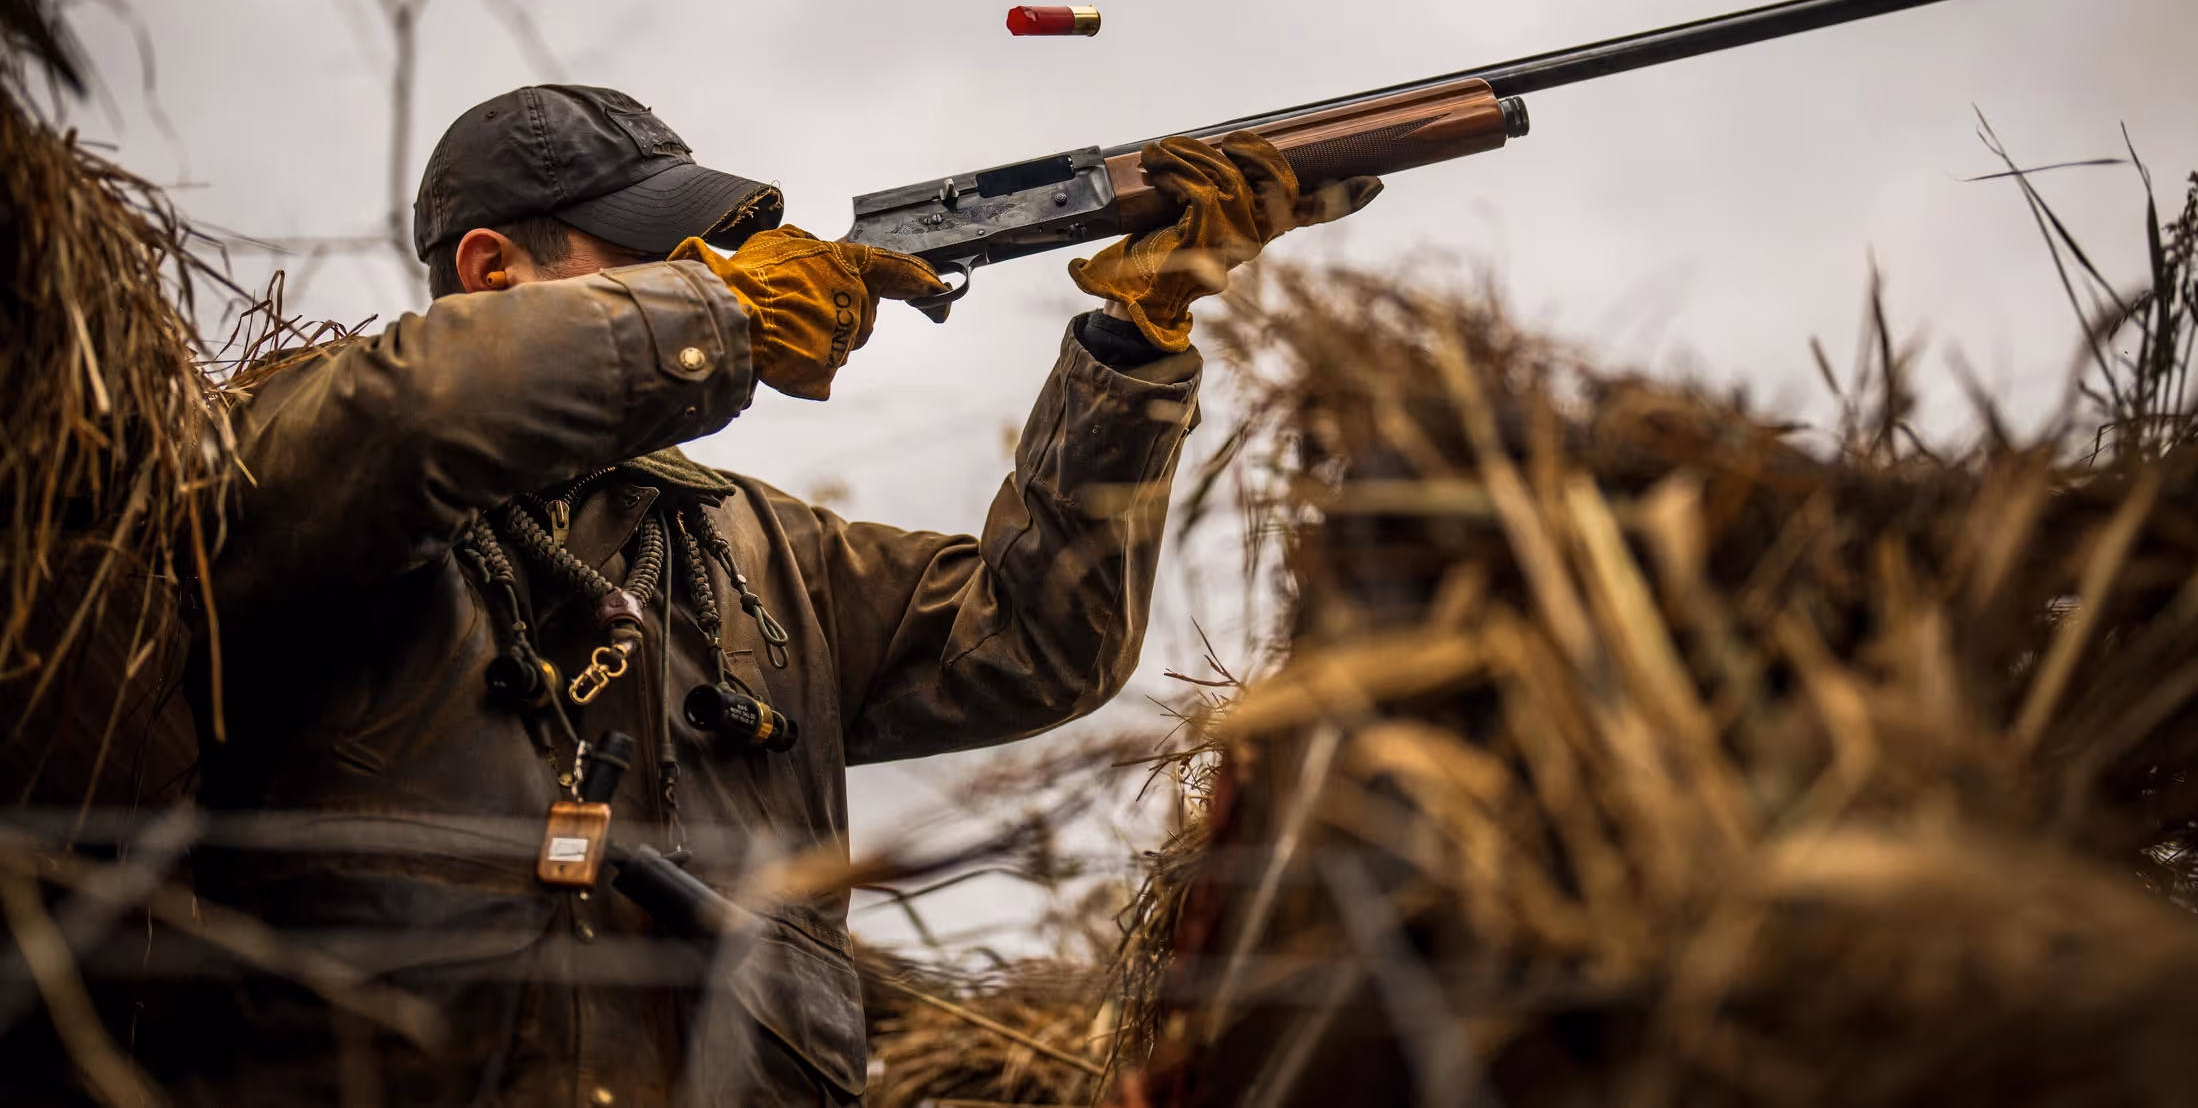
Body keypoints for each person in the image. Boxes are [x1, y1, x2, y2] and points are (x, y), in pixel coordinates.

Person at [175, 84, 1377, 1106]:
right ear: (490, 271)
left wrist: (1137, 336)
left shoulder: (757, 548)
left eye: (709, 260)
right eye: (652, 257)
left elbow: (1040, 642)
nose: (706, 277)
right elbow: (421, 416)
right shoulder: (300, 440)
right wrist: (727, 315)